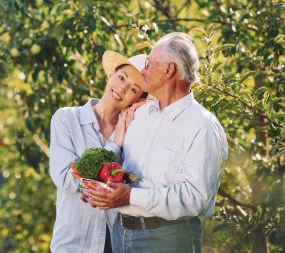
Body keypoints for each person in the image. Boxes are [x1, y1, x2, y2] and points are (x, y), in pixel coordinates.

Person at [86, 32, 229, 253]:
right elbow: (121, 171)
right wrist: (105, 190)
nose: (143, 71)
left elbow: (194, 198)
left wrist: (129, 195)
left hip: (168, 238)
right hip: (121, 233)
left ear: (169, 69)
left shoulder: (202, 127)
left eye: (150, 64)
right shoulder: (140, 115)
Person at [49, 50, 148, 253]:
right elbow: (66, 179)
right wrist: (116, 144)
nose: (121, 88)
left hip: (116, 245)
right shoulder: (67, 119)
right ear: (111, 73)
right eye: (121, 77)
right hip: (72, 246)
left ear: (137, 99)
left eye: (133, 89)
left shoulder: (136, 132)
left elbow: (135, 184)